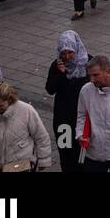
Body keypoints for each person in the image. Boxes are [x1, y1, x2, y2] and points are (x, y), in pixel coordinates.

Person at [0, 81, 54, 172]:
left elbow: (41, 136)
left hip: (23, 167)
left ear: (9, 100)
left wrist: (44, 160)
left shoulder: (26, 111)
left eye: (1, 106)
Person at [45, 30, 90, 173]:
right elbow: (50, 89)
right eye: (63, 53)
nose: (67, 57)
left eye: (70, 52)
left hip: (84, 119)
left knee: (84, 155)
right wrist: (61, 74)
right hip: (63, 121)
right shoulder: (57, 66)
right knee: (66, 155)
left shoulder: (88, 63)